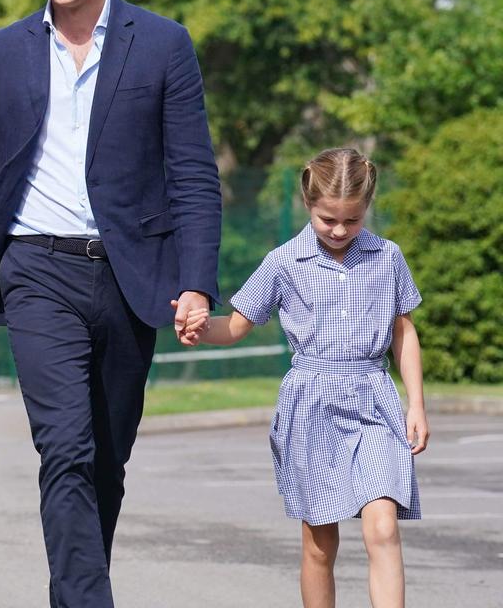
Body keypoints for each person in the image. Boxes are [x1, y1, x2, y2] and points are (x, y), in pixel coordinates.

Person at [0, 0, 222, 606]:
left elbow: (192, 173)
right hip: (35, 268)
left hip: (131, 277)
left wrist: (196, 282)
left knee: (106, 459)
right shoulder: (3, 52)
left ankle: (74, 591)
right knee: (64, 448)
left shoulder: (162, 43)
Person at [177, 147, 427, 608]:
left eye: (351, 221)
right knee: (319, 543)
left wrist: (416, 404)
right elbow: (235, 325)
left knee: (384, 527)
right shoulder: (283, 262)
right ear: (307, 205)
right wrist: (197, 328)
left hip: (374, 399)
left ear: (366, 208)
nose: (338, 230)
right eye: (327, 218)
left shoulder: (387, 257)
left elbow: (403, 331)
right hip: (311, 406)